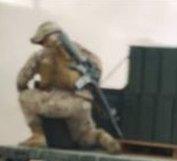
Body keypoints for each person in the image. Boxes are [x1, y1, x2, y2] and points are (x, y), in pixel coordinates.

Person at [16, 21, 121, 153]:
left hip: (55, 102)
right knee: (85, 137)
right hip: (82, 103)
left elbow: (21, 81)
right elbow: (97, 70)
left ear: (44, 38)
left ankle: (38, 136)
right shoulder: (80, 51)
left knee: (24, 96)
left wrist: (29, 89)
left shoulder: (40, 55)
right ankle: (101, 137)